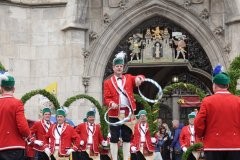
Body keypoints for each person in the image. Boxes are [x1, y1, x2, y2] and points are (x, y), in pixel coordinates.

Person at [103, 51, 145, 160]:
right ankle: (115, 158)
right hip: (114, 113)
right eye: (117, 66)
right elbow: (106, 98)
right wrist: (111, 103)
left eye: (121, 66)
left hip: (128, 113)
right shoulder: (107, 82)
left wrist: (139, 79)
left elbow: (140, 76)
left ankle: (127, 158)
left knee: (127, 136)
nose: (119, 68)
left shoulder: (129, 77)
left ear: (123, 68)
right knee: (114, 137)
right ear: (113, 67)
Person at [194, 72, 240, 160]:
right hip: (235, 145)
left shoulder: (207, 101)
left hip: (213, 145)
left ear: (214, 85)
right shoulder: (238, 101)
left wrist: (201, 135)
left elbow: (199, 122)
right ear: (228, 85)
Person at [0, 73, 33, 160]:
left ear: (1, 89)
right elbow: (23, 127)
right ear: (14, 89)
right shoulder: (17, 103)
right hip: (15, 147)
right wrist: (29, 136)